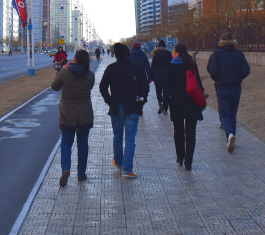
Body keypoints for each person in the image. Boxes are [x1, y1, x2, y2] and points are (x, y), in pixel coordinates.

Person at [99, 42, 149, 179]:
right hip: (132, 106)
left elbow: (102, 87)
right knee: (130, 139)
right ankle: (127, 169)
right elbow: (145, 87)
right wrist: (141, 102)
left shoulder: (111, 68)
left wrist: (110, 101)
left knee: (117, 136)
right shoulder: (137, 67)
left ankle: (119, 162)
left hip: (116, 107)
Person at [50, 49, 95, 186]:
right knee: (82, 144)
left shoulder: (65, 72)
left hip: (67, 114)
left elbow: (54, 87)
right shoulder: (90, 75)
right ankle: (81, 174)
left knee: (66, 143)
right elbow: (89, 88)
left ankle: (65, 169)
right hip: (84, 114)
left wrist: (61, 70)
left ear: (74, 59)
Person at [162, 44, 205, 170]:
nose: (172, 54)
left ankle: (180, 157)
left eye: (173, 51)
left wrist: (164, 104)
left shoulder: (172, 66)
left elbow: (167, 87)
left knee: (178, 131)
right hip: (192, 102)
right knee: (191, 133)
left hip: (177, 102)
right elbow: (198, 83)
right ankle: (188, 162)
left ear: (177, 53)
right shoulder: (191, 64)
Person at [207, 32, 251, 153]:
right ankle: (231, 137)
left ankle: (229, 135)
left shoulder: (216, 54)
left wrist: (218, 78)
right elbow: (246, 70)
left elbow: (212, 70)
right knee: (232, 114)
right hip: (236, 87)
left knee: (225, 114)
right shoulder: (239, 54)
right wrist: (238, 78)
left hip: (222, 87)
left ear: (221, 41)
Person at [150, 40, 173, 114]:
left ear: (158, 47)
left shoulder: (156, 54)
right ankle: (165, 109)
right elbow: (172, 65)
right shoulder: (169, 54)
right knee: (166, 93)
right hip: (168, 76)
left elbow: (153, 67)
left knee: (158, 92)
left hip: (158, 76)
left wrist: (151, 77)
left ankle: (160, 103)